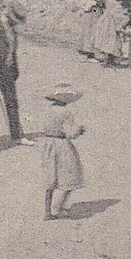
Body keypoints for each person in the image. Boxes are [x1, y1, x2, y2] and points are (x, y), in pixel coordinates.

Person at [0, 2, 34, 147]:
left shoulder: (12, 30)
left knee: (12, 103)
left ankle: (16, 135)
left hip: (7, 72)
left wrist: (14, 69)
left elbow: (12, 51)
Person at [36, 83, 85, 219]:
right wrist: (79, 130)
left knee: (50, 177)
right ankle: (58, 207)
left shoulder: (48, 110)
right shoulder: (65, 112)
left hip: (48, 143)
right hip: (62, 144)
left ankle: (48, 211)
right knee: (71, 175)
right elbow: (71, 133)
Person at [82, 0, 130, 67]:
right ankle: (106, 57)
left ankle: (109, 58)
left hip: (108, 17)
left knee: (111, 39)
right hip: (107, 17)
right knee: (108, 38)